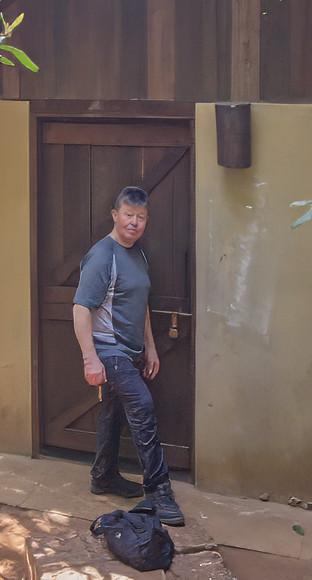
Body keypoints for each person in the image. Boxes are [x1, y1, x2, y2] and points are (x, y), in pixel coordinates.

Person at [72, 186, 185, 526]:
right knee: (142, 406)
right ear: (115, 215)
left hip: (131, 351)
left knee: (113, 412)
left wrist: (150, 347)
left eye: (141, 217)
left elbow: (142, 305)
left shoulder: (138, 255)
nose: (134, 222)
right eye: (128, 215)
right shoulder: (102, 255)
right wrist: (90, 359)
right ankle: (159, 491)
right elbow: (81, 308)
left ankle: (103, 476)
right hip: (109, 351)